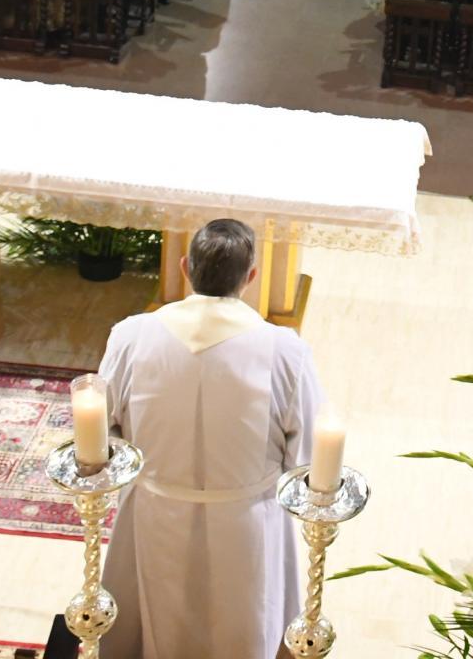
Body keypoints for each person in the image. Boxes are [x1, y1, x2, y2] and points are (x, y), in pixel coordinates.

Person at [98, 218, 324, 659]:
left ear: (186, 267)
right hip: (249, 524)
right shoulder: (284, 352)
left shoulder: (131, 337)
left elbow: (102, 436)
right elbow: (308, 458)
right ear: (250, 276)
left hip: (152, 515)